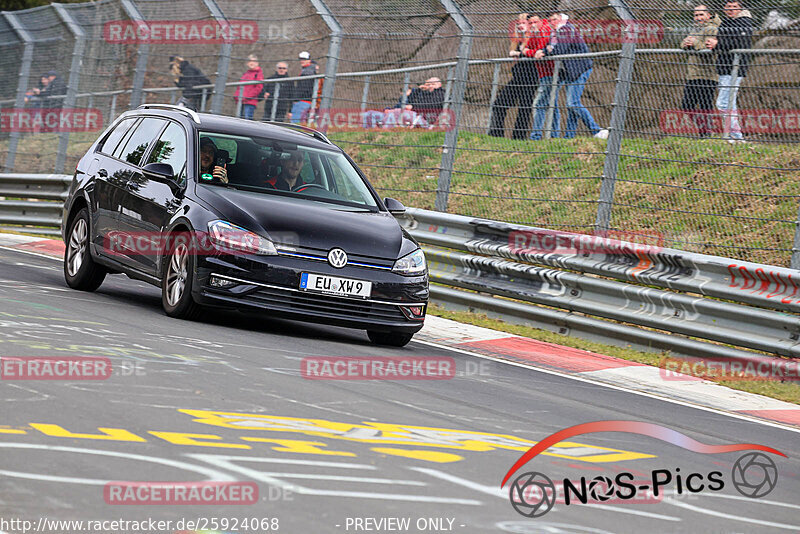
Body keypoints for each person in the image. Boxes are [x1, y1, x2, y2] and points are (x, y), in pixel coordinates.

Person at [535, 13, 608, 139]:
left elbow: (560, 49)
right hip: (570, 71)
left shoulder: (566, 29)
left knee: (572, 103)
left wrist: (547, 51)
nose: (553, 22)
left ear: (562, 19)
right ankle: (569, 136)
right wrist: (548, 50)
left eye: (555, 19)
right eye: (551, 20)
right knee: (571, 105)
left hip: (579, 69)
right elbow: (551, 47)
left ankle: (596, 130)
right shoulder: (556, 33)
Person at [706, 1, 753, 142]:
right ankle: (735, 137)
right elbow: (723, 40)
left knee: (723, 103)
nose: (730, 9)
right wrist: (713, 43)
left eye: (734, 7)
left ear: (740, 7)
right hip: (724, 67)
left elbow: (739, 42)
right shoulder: (726, 22)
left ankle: (735, 135)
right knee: (729, 103)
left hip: (735, 67)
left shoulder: (745, 22)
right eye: (727, 7)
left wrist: (718, 44)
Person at [488, 13, 538, 140]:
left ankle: (519, 137)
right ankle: (496, 135)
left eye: (523, 23)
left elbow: (533, 53)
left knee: (524, 107)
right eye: (519, 23)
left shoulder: (535, 36)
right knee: (499, 104)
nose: (521, 25)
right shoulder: (518, 39)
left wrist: (519, 53)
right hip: (518, 76)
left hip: (531, 76)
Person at [680, 6, 720, 138]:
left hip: (707, 74)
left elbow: (709, 50)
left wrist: (695, 43)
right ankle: (704, 130)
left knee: (705, 105)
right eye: (696, 15)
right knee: (687, 105)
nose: (698, 18)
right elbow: (685, 42)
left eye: (701, 14)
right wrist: (685, 43)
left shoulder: (712, 29)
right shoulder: (696, 28)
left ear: (708, 15)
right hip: (693, 74)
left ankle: (706, 133)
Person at [523, 14, 560, 140]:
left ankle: (536, 136)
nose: (533, 25)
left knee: (539, 104)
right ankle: (554, 136)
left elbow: (540, 51)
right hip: (543, 73)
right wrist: (531, 52)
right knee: (552, 105)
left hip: (551, 72)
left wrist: (531, 52)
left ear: (541, 21)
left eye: (535, 22)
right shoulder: (535, 33)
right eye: (531, 23)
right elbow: (526, 49)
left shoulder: (545, 30)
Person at [288, 51, 317, 124]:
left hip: (302, 101)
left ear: (309, 60)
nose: (302, 61)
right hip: (305, 100)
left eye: (304, 59)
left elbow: (303, 88)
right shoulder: (308, 70)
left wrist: (295, 99)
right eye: (301, 59)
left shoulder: (308, 72)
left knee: (296, 123)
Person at [233, 54, 263, 120]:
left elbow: (258, 88)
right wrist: (236, 96)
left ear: (257, 63)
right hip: (241, 101)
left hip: (249, 102)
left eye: (254, 61)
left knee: (247, 120)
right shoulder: (246, 74)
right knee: (239, 120)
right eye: (250, 61)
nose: (251, 63)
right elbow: (239, 87)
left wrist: (246, 97)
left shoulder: (258, 74)